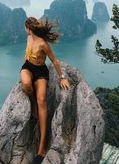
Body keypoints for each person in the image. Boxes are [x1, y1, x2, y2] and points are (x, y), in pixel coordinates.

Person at [20, 16, 71, 164]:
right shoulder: (29, 38)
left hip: (41, 72)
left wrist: (62, 77)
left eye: (26, 28)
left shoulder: (43, 44)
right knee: (26, 85)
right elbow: (26, 55)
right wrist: (23, 68)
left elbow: (54, 60)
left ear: (29, 29)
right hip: (28, 68)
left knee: (42, 100)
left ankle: (41, 149)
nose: (25, 31)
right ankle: (33, 105)